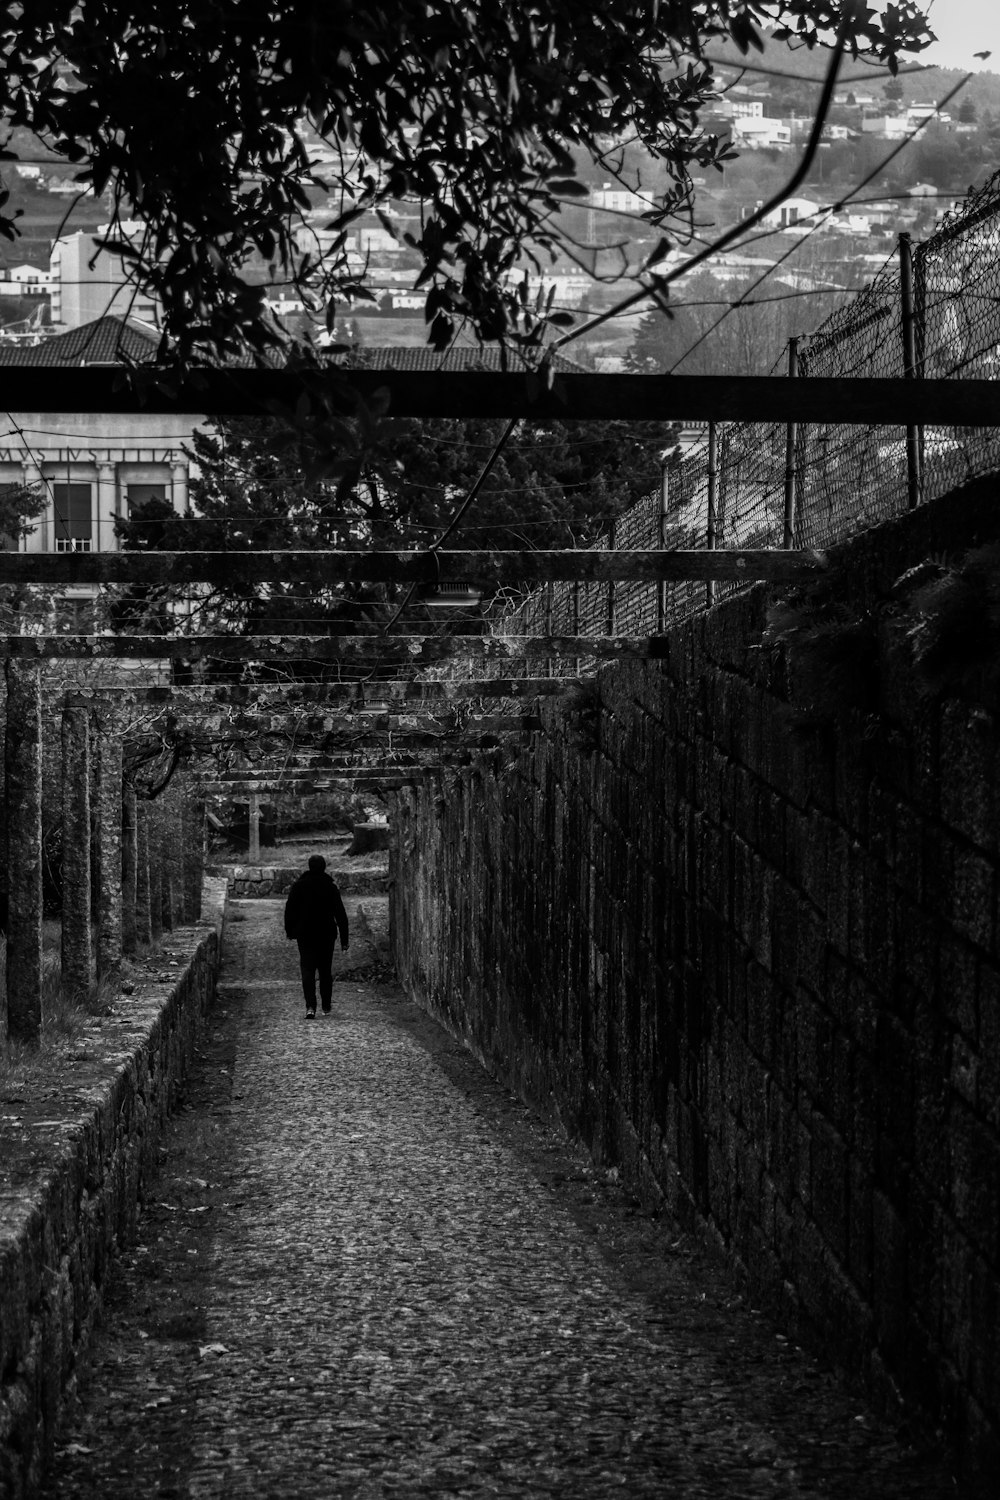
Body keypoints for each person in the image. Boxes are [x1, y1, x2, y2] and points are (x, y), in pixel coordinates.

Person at [283, 854, 349, 1018]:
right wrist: (344, 939)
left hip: (305, 934)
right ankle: (326, 1005)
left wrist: (290, 931)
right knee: (325, 970)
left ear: (309, 866)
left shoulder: (299, 886)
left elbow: (290, 910)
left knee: (307, 970)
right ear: (324, 867)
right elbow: (340, 914)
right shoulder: (330, 887)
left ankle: (310, 1007)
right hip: (326, 934)